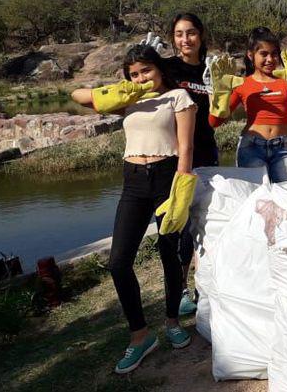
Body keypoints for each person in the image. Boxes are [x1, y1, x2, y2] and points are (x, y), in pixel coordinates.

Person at [71, 45, 196, 374]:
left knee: (169, 253)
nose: (142, 78)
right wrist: (122, 90)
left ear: (159, 69)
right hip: (134, 180)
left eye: (146, 71)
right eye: (134, 74)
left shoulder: (178, 98)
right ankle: (140, 335)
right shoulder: (126, 98)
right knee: (118, 261)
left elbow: (186, 147)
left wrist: (182, 191)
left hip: (167, 176)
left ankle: (171, 321)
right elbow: (78, 95)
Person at [159, 13, 216, 317]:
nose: (185, 40)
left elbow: (221, 112)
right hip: (177, 156)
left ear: (201, 35)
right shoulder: (168, 69)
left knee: (205, 222)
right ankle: (179, 288)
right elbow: (142, 87)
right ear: (173, 38)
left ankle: (203, 284)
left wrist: (219, 89)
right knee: (179, 224)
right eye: (179, 34)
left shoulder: (211, 68)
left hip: (207, 151)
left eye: (191, 33)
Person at [207, 27, 287, 181]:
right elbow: (214, 122)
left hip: (282, 148)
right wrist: (220, 94)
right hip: (251, 148)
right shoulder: (241, 83)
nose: (270, 59)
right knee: (256, 199)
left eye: (274, 54)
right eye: (264, 54)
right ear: (251, 55)